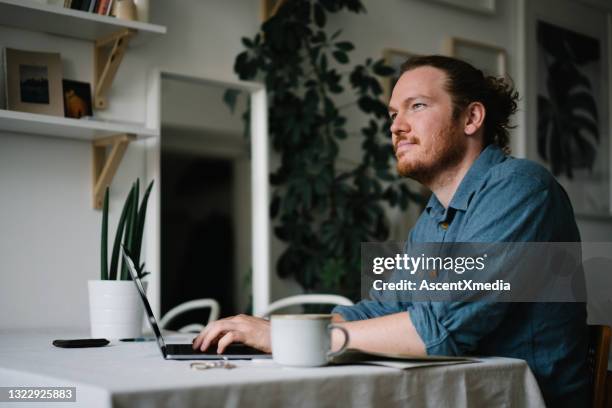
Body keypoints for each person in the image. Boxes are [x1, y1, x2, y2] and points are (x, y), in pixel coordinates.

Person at [193, 55, 589, 407]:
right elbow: (383, 307)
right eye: (391, 114)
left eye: (416, 106)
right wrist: (275, 331)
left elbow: (440, 328)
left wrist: (285, 339)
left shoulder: (520, 187)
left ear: (471, 118)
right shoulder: (435, 215)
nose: (396, 126)